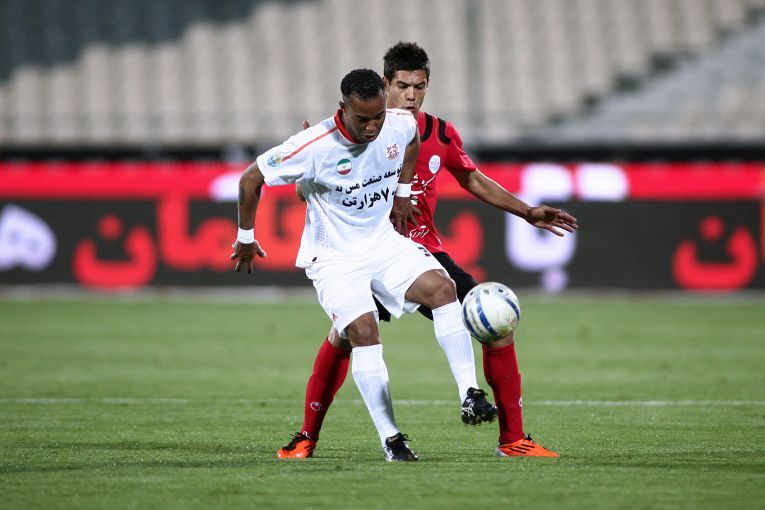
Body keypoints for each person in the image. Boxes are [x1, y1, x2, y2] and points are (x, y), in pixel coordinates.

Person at [276, 43, 578, 460]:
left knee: (496, 322)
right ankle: (307, 436)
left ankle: (512, 440)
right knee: (344, 337)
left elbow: (471, 178)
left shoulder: (439, 133)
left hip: (422, 253)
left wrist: (526, 211)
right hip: (362, 251)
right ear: (385, 84)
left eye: (419, 87)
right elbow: (305, 191)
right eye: (402, 86)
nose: (411, 96)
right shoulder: (354, 129)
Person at [232, 68, 491, 462]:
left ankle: (470, 394)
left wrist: (402, 193)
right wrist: (246, 237)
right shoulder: (313, 145)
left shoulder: (399, 122)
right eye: (362, 119)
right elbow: (251, 179)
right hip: (335, 259)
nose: (372, 127)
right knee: (363, 331)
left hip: (382, 244)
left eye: (378, 117)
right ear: (343, 108)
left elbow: (412, 140)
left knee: (443, 288)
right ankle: (392, 440)